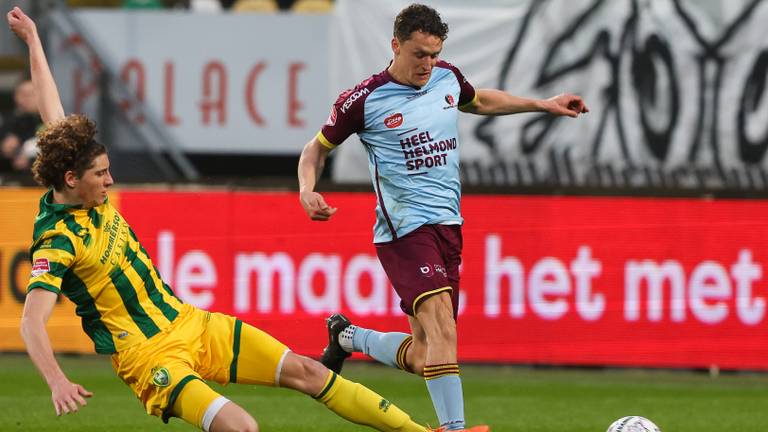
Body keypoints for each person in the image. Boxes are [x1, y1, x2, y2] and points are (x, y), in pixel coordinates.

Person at [8, 7, 437, 432]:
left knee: (310, 372)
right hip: (150, 357)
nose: (110, 179)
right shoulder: (58, 241)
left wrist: (34, 41)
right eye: (101, 174)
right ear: (71, 178)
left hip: (189, 322)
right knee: (242, 427)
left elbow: (53, 111)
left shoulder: (83, 184)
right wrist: (57, 380)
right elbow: (31, 322)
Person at [297, 4, 588, 432]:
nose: (427, 64)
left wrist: (543, 104)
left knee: (425, 352)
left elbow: (480, 100)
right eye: (419, 54)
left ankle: (347, 337)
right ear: (395, 46)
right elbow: (315, 150)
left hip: (449, 226)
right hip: (403, 229)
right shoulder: (363, 100)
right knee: (444, 329)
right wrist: (307, 189)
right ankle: (453, 428)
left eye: (434, 54)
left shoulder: (446, 76)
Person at [0, 77, 42, 173]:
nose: (27, 98)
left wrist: (31, 161)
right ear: (15, 96)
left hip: (39, 180)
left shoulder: (51, 121)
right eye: (23, 94)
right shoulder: (5, 121)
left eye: (31, 94)